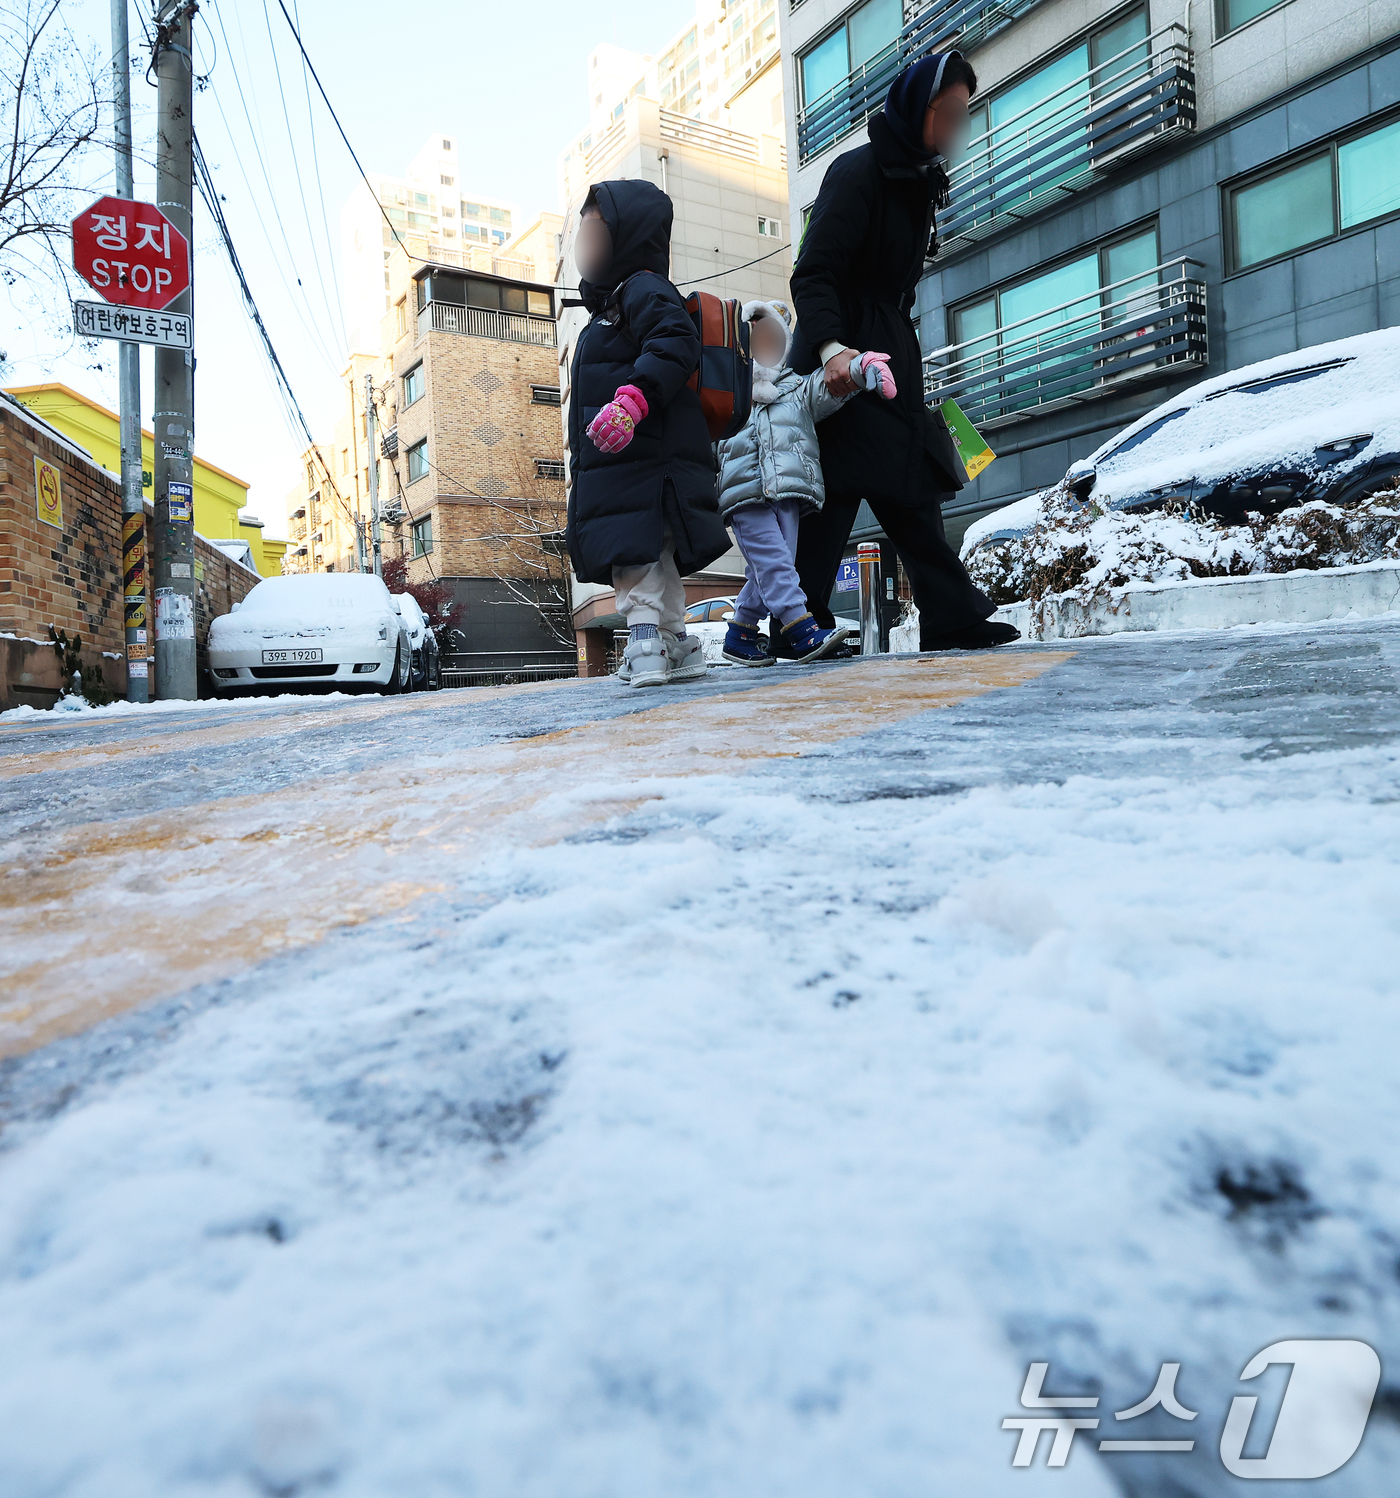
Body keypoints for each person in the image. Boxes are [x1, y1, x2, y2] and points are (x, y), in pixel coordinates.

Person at [788, 50, 1021, 652]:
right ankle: (797, 622)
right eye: (946, 114)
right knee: (833, 491)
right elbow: (812, 274)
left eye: (962, 117)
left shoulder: (920, 181)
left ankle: (948, 616)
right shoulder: (857, 173)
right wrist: (832, 350)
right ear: (918, 107)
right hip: (842, 361)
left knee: (910, 487)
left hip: (890, 356)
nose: (954, 130)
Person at [564, 180, 730, 689]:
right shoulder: (615, 303)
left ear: (627, 240)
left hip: (637, 457)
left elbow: (675, 341)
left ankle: (643, 643)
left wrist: (632, 400)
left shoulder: (640, 288)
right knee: (654, 551)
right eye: (582, 237)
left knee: (630, 551)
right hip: (636, 459)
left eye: (595, 237)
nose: (583, 249)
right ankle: (676, 640)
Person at [716, 299, 897, 666]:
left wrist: (861, 369)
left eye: (773, 341)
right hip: (745, 492)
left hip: (788, 493)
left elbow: (828, 388)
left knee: (770, 565)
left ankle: (740, 633)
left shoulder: (795, 389)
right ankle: (800, 628)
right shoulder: (728, 392)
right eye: (755, 342)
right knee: (775, 563)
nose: (764, 348)